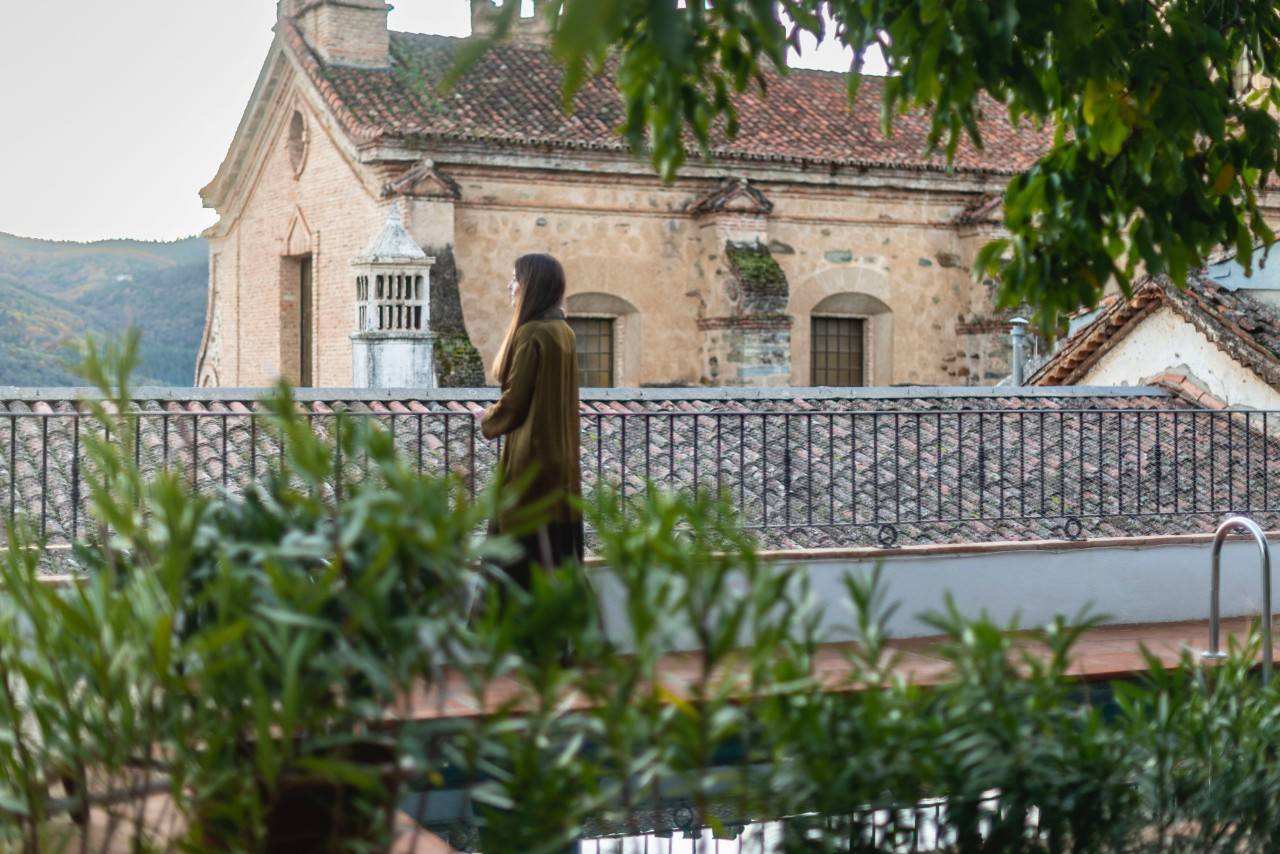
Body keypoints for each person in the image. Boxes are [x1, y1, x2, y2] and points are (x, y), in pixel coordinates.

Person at [479, 253, 584, 590]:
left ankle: (502, 636)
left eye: (515, 279)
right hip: (562, 464)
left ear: (531, 286)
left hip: (531, 461)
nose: (510, 286)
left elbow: (514, 401)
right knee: (555, 560)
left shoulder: (532, 333)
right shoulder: (563, 331)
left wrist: (486, 419)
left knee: (513, 561)